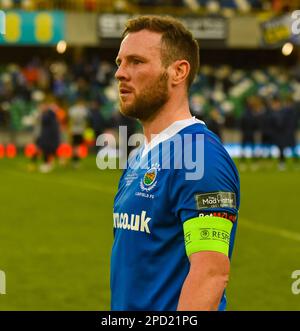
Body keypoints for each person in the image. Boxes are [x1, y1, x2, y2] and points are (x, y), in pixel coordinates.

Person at [111, 15, 240, 311]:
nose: (120, 73)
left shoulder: (201, 157)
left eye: (136, 62)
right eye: (120, 62)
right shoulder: (141, 156)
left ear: (178, 71)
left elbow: (210, 273)